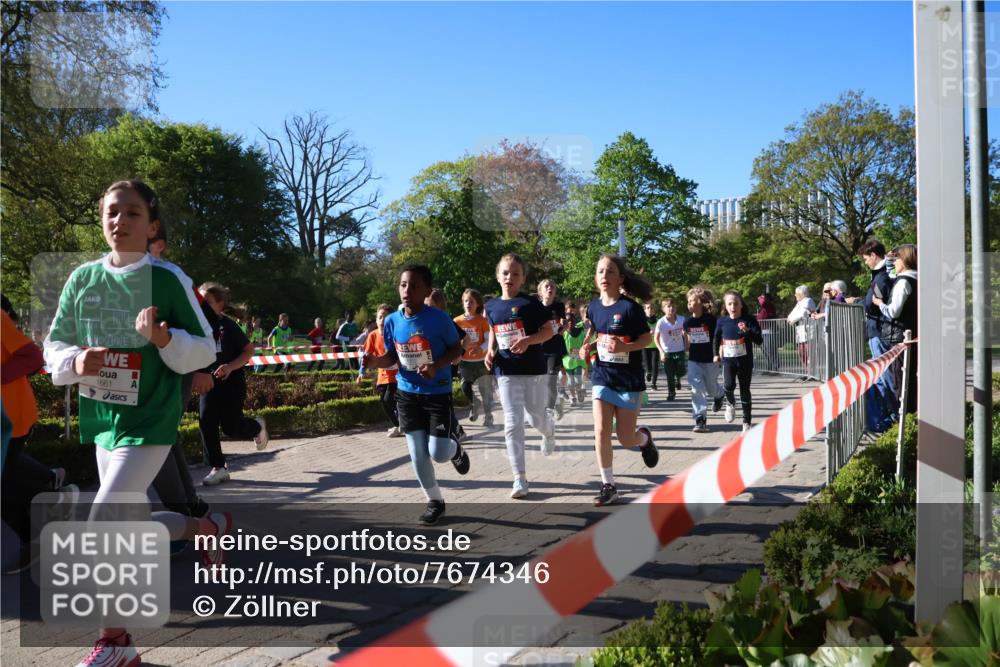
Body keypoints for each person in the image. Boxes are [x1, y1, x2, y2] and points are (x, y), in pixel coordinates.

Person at [43, 180, 231, 667]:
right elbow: (55, 345)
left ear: (152, 226)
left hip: (151, 418)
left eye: (131, 214)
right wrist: (76, 361)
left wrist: (165, 338)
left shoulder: (167, 278)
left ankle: (116, 642)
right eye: (111, 212)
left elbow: (207, 347)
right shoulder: (82, 279)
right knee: (127, 523)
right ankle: (200, 526)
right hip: (103, 419)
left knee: (103, 523)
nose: (119, 222)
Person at [363, 265, 470, 525]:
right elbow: (392, 356)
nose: (406, 290)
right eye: (402, 285)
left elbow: (457, 350)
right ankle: (435, 501)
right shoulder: (392, 321)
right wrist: (375, 362)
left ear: (425, 290)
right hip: (407, 393)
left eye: (413, 285)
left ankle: (455, 450)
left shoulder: (439, 319)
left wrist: (435, 366)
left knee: (439, 452)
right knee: (417, 454)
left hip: (437, 392)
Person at [147, 224, 212, 544]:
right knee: (165, 438)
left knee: (155, 440)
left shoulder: (171, 276)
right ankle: (190, 509)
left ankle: (183, 522)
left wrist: (201, 368)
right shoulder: (119, 275)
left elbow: (205, 328)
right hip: (144, 376)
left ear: (160, 244)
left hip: (171, 371)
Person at [578, 254, 659, 506]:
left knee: (625, 439)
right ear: (596, 277)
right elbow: (596, 337)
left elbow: (647, 339)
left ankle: (644, 438)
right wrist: (586, 349)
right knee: (601, 430)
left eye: (610, 271)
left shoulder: (630, 309)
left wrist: (625, 348)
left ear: (620, 278)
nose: (604, 275)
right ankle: (608, 485)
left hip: (628, 379)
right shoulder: (592, 307)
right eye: (600, 271)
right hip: (602, 376)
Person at [484, 254, 556, 500]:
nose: (509, 278)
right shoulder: (491, 306)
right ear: (497, 276)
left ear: (523, 278)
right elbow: (494, 330)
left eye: (515, 274)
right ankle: (519, 478)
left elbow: (548, 331)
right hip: (506, 371)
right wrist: (490, 351)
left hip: (533, 369)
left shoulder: (531, 305)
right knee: (512, 422)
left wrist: (528, 340)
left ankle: (548, 430)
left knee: (535, 418)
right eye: (505, 273)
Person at [198, 282, 269, 486]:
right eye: (200, 302)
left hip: (232, 383)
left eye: (207, 302)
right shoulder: (196, 326)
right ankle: (218, 468)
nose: (202, 306)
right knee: (206, 421)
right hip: (210, 382)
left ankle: (256, 426)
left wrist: (229, 367)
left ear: (220, 304)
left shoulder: (228, 325)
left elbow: (249, 351)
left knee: (231, 428)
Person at [853, 239, 899, 433]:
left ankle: (893, 415)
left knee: (884, 374)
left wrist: (861, 303)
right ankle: (889, 414)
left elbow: (873, 303)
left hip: (878, 332)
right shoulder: (881, 275)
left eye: (865, 259)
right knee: (881, 375)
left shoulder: (881, 277)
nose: (865, 263)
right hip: (877, 331)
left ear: (873, 256)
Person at [873, 244, 917, 414]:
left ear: (904, 260)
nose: (893, 262)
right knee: (910, 381)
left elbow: (893, 312)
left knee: (901, 381)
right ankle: (911, 419)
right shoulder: (917, 278)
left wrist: (880, 304)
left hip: (900, 337)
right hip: (910, 334)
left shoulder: (904, 281)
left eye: (896, 258)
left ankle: (904, 422)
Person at [714, 290, 764, 432]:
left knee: (744, 390)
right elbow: (716, 339)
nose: (733, 306)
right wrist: (715, 354)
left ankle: (746, 422)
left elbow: (759, 340)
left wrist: (747, 331)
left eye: (736, 303)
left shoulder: (749, 320)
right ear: (726, 306)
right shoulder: (722, 321)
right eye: (730, 304)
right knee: (728, 386)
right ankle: (730, 403)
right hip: (728, 361)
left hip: (744, 362)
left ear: (741, 304)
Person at [684, 286, 726, 433]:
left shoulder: (711, 320)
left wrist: (718, 353)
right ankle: (700, 419)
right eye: (688, 301)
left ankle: (720, 394)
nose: (689, 304)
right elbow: (688, 341)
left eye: (692, 301)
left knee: (710, 388)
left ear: (701, 302)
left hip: (711, 360)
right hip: (694, 360)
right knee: (697, 389)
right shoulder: (687, 322)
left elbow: (717, 338)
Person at [358, 304, 402, 437]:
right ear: (376, 320)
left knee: (390, 399)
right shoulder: (372, 336)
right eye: (380, 317)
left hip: (397, 376)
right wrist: (361, 372)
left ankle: (401, 425)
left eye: (386, 318)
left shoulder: (397, 334)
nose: (382, 320)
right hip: (382, 376)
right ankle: (398, 425)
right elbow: (366, 356)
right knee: (383, 400)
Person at [455, 289, 495, 427]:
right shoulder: (457, 321)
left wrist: (481, 348)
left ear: (477, 304)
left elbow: (489, 340)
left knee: (485, 391)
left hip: (481, 361)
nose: (468, 304)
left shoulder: (483, 321)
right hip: (465, 361)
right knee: (466, 386)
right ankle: (474, 403)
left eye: (471, 301)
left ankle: (488, 416)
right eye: (466, 301)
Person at [537, 279, 568, 420]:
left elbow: (564, 323)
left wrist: (564, 327)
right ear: (540, 292)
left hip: (555, 347)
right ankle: (555, 403)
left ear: (555, 291)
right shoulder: (535, 308)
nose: (550, 288)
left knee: (550, 379)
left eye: (552, 286)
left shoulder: (559, 306)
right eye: (547, 286)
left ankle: (548, 410)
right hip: (539, 348)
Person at [654, 298, 686, 400]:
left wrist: (687, 344)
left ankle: (678, 378)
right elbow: (656, 338)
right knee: (669, 374)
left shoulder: (681, 319)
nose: (671, 308)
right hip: (667, 352)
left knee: (681, 370)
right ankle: (671, 392)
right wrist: (661, 352)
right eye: (668, 306)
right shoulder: (661, 322)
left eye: (673, 306)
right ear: (663, 309)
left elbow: (685, 333)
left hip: (680, 350)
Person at [786, 285, 817, 378]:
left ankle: (811, 373)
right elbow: (792, 313)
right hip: (800, 331)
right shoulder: (799, 302)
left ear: (802, 294)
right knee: (801, 352)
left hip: (808, 331)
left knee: (809, 353)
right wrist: (790, 319)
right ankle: (806, 372)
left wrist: (793, 320)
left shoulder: (808, 300)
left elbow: (802, 313)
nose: (795, 295)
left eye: (796, 293)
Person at [562, 302, 588, 405]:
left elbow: (585, 340)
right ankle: (573, 397)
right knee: (570, 382)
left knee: (577, 381)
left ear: (574, 320)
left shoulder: (580, 330)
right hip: (567, 361)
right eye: (568, 321)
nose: (570, 322)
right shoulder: (563, 333)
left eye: (572, 320)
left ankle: (579, 392)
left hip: (578, 360)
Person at [756, 293, 779, 373]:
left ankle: (775, 369)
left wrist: (760, 297)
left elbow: (762, 302)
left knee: (771, 350)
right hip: (762, 332)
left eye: (763, 297)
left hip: (770, 331)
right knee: (765, 351)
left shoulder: (768, 305)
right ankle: (769, 368)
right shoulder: (763, 308)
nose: (760, 299)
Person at [642, 302, 661, 391]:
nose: (650, 309)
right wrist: (647, 333)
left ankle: (654, 384)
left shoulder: (658, 321)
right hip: (645, 346)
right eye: (648, 308)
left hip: (656, 346)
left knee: (655, 365)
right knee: (648, 366)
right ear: (645, 310)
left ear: (654, 310)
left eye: (651, 308)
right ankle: (648, 372)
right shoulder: (642, 321)